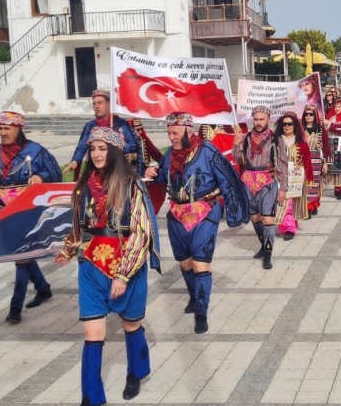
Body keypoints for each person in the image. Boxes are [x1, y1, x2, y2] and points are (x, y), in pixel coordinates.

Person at [55, 126, 161, 406]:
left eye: (103, 149)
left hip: (126, 264)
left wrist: (123, 275)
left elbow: (141, 233)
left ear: (114, 151)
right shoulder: (83, 187)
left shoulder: (131, 185)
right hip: (90, 265)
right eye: (93, 149)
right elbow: (78, 226)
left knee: (130, 324)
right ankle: (91, 397)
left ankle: (137, 372)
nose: (97, 154)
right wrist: (67, 250)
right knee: (92, 334)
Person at [144, 112, 248, 334]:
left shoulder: (208, 152)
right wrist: (152, 171)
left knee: (201, 264)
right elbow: (162, 177)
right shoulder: (170, 155)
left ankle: (201, 312)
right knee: (184, 263)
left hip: (205, 211)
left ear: (188, 131)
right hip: (177, 214)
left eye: (175, 132)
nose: (171, 137)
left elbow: (228, 180)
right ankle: (193, 296)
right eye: (169, 132)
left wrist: (234, 211)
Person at [0, 111, 62, 324]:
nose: (3, 133)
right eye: (1, 129)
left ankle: (15, 307)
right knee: (22, 255)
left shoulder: (36, 151)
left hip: (30, 212)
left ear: (18, 129)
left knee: (21, 258)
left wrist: (41, 177)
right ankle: (43, 288)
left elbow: (56, 174)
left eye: (7, 129)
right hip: (7, 213)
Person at [232, 106, 278, 269]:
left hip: (267, 182)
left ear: (268, 119)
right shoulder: (245, 138)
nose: (258, 123)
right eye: (256, 119)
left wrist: (284, 188)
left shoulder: (275, 139)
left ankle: (268, 253)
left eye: (261, 119)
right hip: (248, 182)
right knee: (255, 218)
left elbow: (284, 164)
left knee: (267, 218)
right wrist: (236, 144)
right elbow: (239, 160)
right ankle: (262, 245)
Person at [63, 89, 144, 177]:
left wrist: (115, 145)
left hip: (118, 171)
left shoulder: (121, 124)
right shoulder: (91, 125)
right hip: (96, 169)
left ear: (109, 105)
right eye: (94, 104)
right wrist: (75, 161)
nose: (96, 106)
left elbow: (134, 146)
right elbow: (82, 146)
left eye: (100, 103)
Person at [272, 112, 313, 240]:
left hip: (297, 178)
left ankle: (290, 227)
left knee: (292, 203)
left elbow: (307, 162)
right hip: (281, 176)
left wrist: (310, 179)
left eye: (290, 124)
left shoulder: (301, 144)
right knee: (284, 202)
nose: (287, 126)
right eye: (284, 124)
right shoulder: (276, 143)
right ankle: (288, 227)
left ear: (294, 126)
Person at [301, 105, 330, 216]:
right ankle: (306, 207)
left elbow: (325, 147)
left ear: (315, 116)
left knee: (314, 184)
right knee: (304, 184)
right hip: (303, 160)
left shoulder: (320, 129)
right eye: (306, 114)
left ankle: (312, 205)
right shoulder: (300, 129)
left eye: (311, 114)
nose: (308, 116)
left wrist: (325, 163)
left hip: (316, 159)